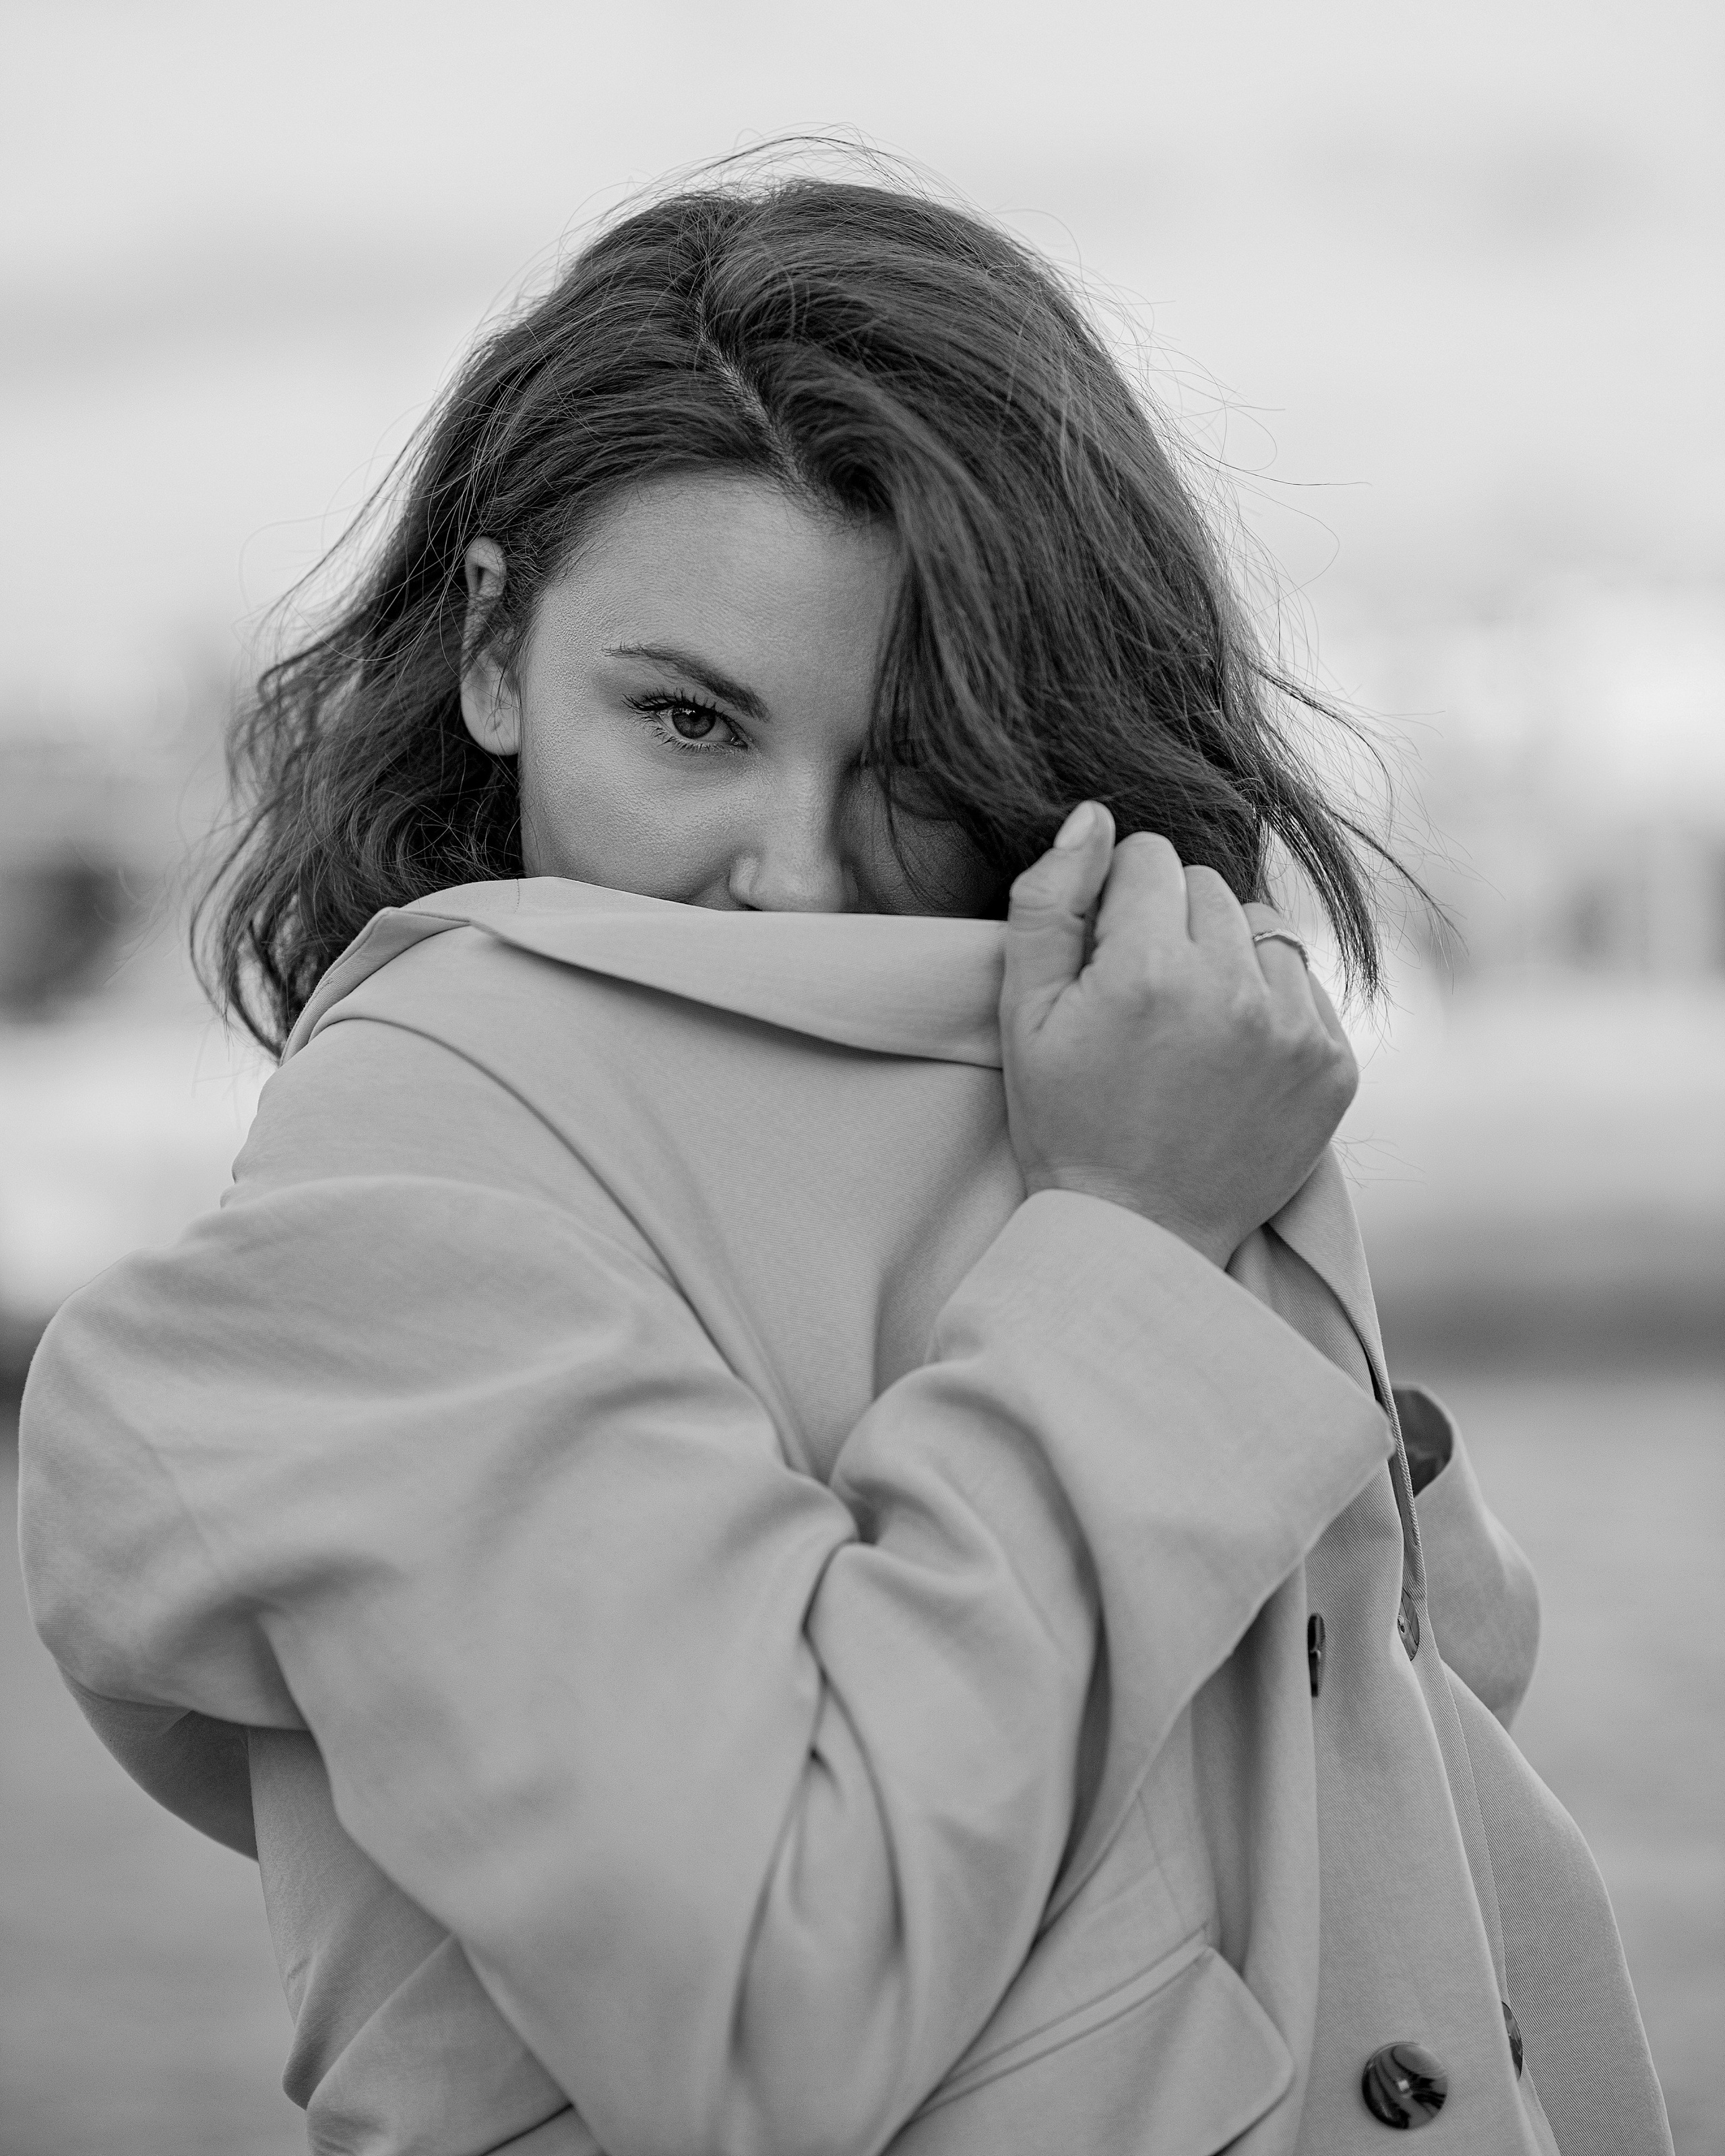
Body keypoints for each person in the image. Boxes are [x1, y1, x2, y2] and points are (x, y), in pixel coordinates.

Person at [18, 161, 1670, 2156]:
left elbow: (1402, 1715)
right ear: (490, 652)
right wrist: (1139, 1254)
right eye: (690, 722)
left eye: (907, 761)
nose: (794, 874)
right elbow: (769, 2016)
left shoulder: (1022, 1069)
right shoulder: (420, 1169)